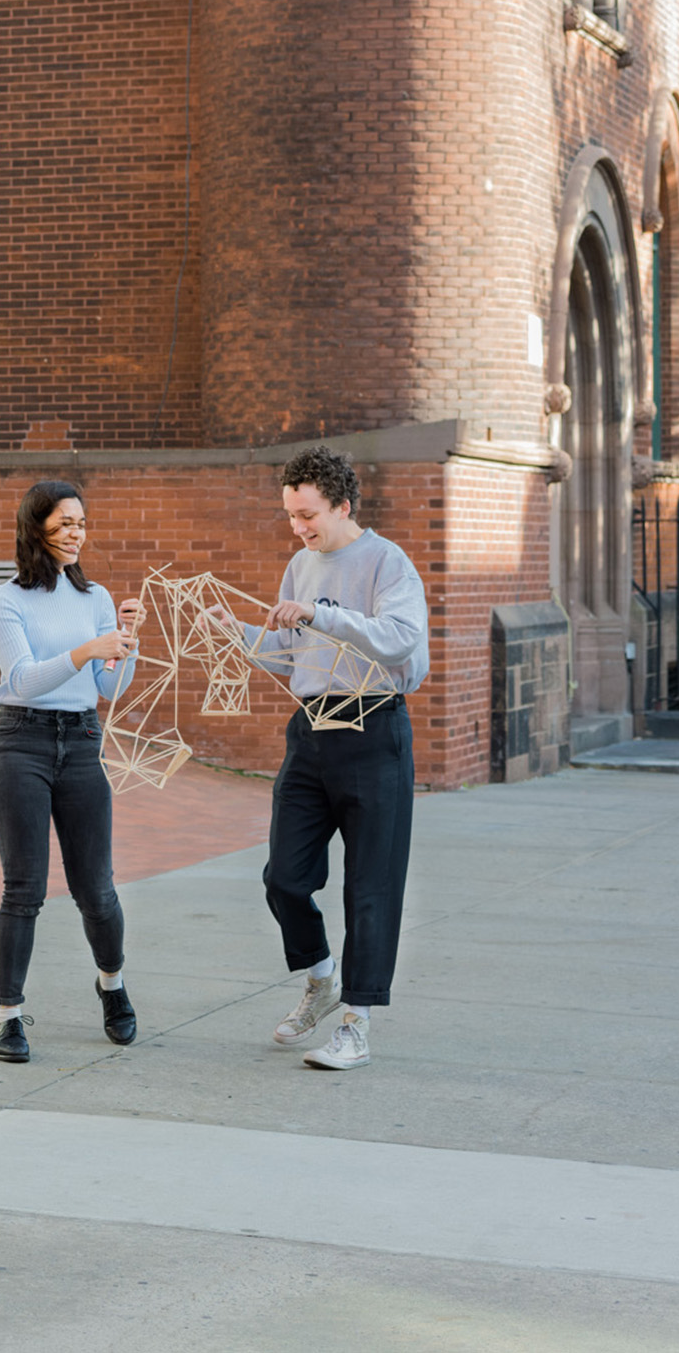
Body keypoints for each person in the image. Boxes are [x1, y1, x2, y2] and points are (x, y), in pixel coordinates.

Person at [213, 444, 429, 1071]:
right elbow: (287, 655)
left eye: (308, 514)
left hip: (374, 733)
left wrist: (324, 614)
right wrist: (239, 634)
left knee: (371, 886)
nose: (300, 527)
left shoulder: (389, 563)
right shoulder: (300, 565)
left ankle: (357, 1025)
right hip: (310, 732)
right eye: (290, 515)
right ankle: (320, 978)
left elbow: (402, 642)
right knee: (284, 877)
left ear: (342, 504)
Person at [0, 479, 145, 1064]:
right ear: (37, 528)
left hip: (80, 741)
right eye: (65, 524)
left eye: (81, 524)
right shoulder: (7, 600)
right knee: (22, 889)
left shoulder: (96, 596)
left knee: (96, 890)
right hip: (20, 742)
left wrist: (123, 644)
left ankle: (112, 985)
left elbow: (105, 690)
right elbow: (22, 680)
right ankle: (8, 1017)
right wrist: (86, 649)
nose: (76, 534)